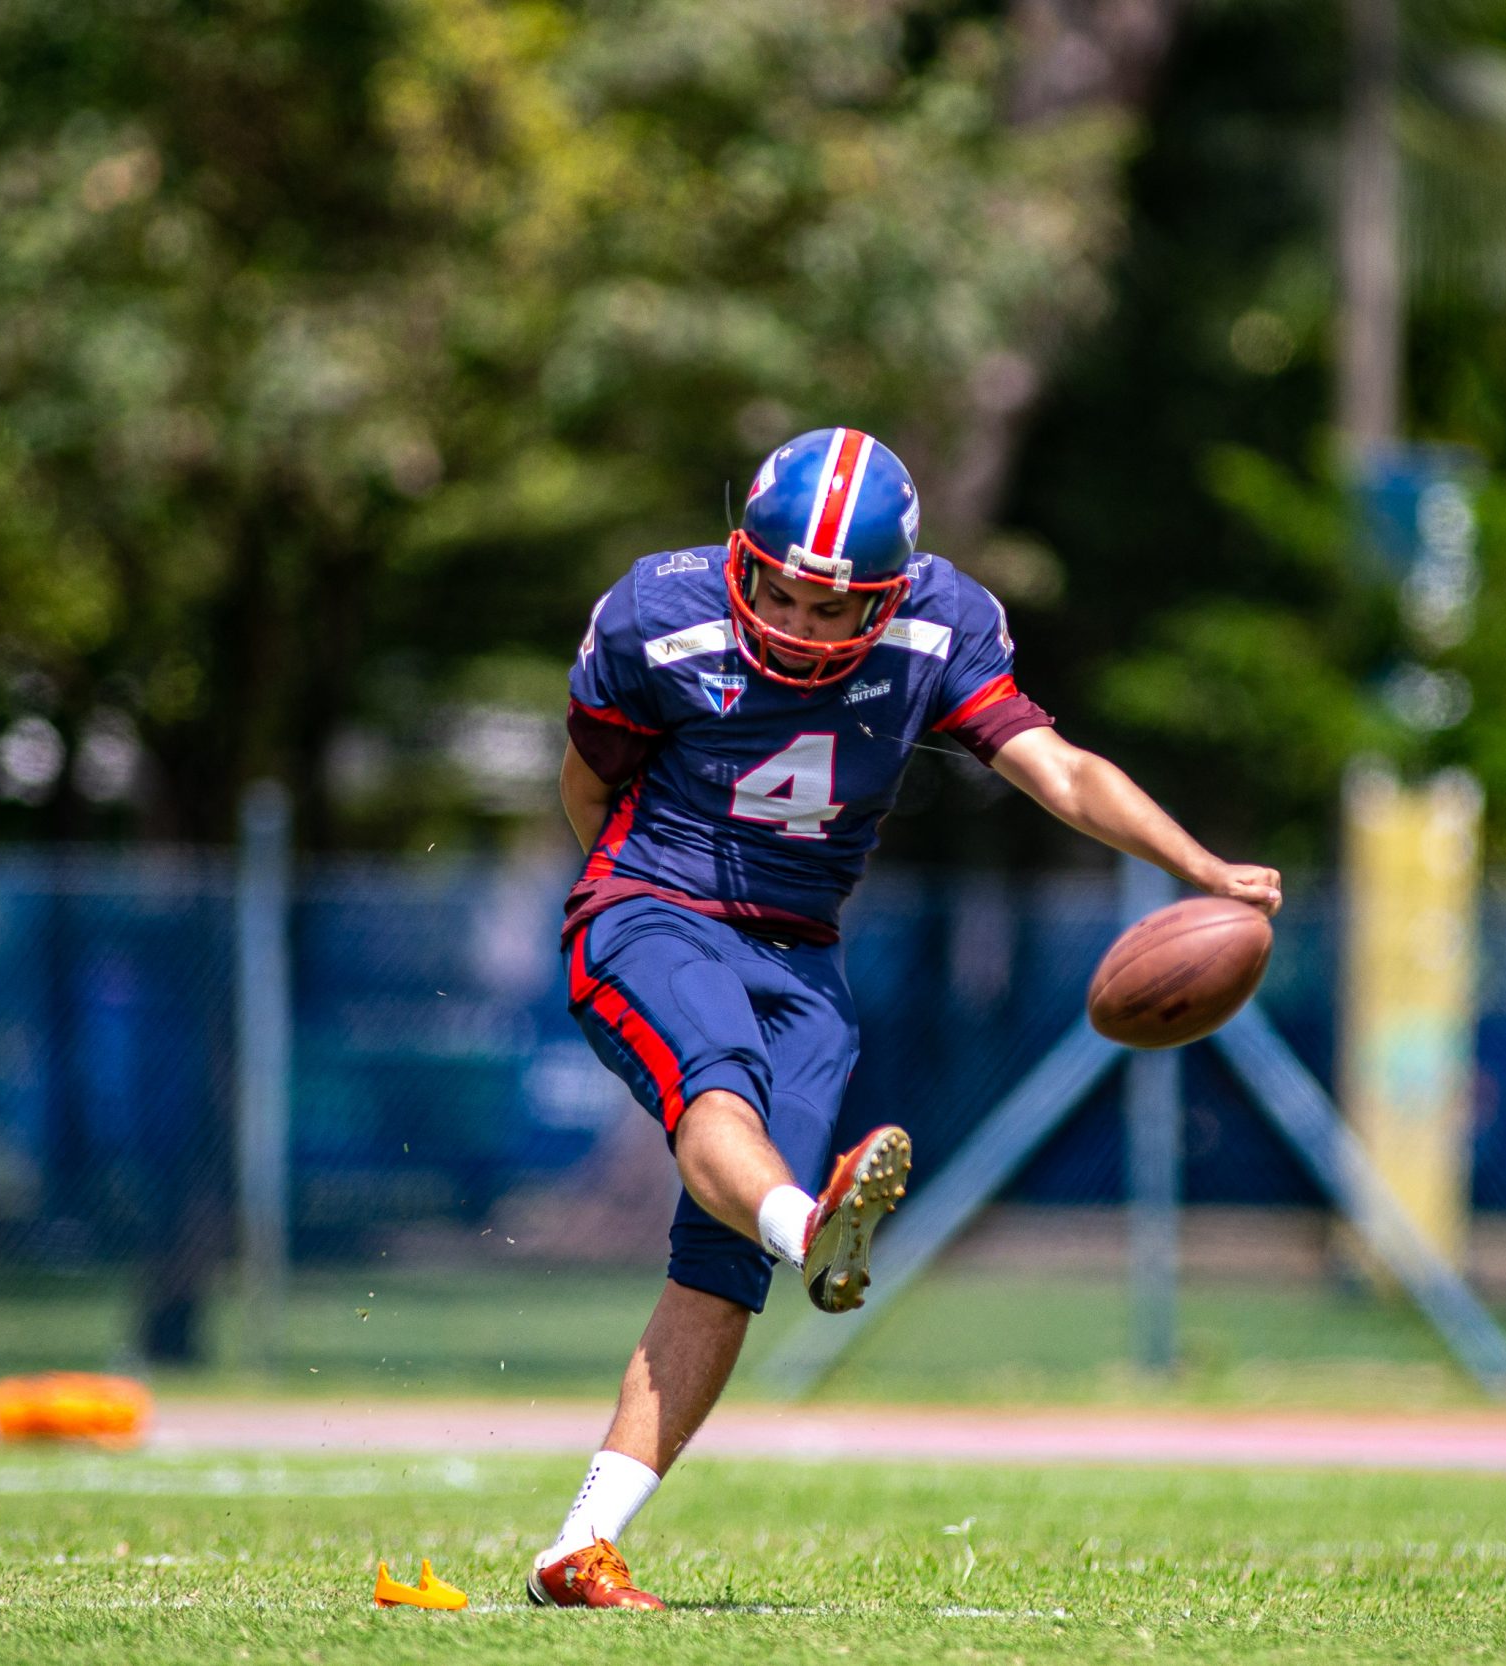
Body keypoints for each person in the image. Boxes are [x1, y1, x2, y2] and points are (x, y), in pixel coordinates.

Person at [528, 427, 1282, 1609]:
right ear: (744, 560)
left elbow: (1063, 770)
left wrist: (1201, 865)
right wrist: (626, 909)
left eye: (839, 610)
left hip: (806, 956)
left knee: (723, 1264)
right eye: (783, 594)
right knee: (717, 1085)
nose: (805, 624)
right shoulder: (656, 614)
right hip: (655, 905)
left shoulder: (941, 624)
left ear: (891, 594)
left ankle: (581, 1544)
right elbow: (588, 780)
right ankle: (806, 1220)